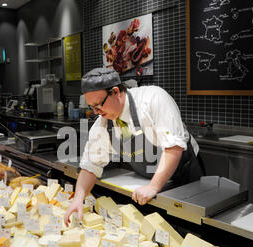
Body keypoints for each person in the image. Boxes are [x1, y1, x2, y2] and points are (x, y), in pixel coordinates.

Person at [64, 68, 203, 226]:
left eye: (98, 105)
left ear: (115, 92)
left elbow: (174, 147)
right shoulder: (103, 124)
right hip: (149, 182)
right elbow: (90, 166)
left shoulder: (153, 99)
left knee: (189, 227)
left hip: (184, 176)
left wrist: (153, 186)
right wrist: (78, 199)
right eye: (92, 107)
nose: (96, 112)